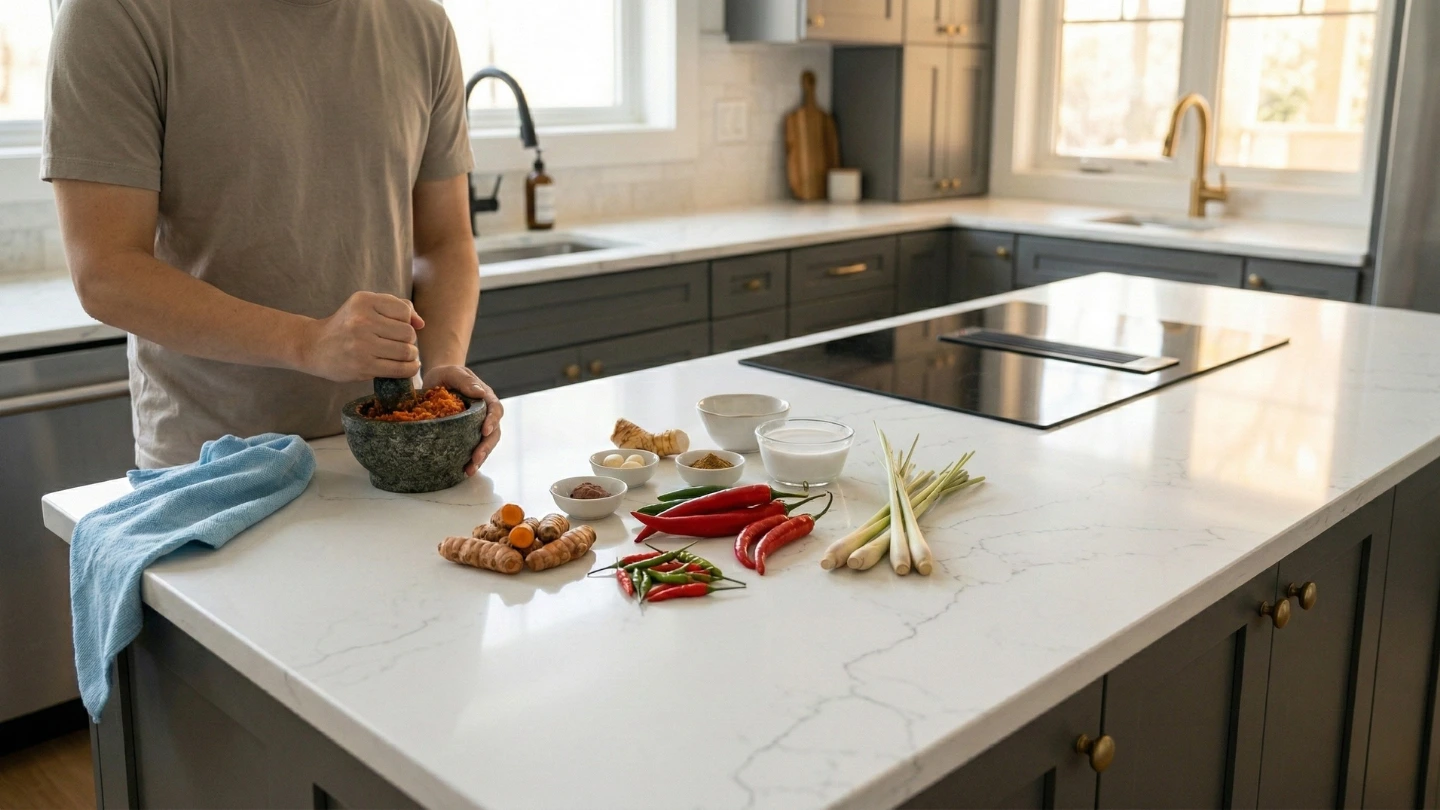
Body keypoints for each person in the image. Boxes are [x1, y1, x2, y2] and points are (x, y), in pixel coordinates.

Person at [42, 0, 503, 472]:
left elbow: (444, 243)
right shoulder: (115, 13)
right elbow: (107, 272)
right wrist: (308, 342)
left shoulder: (421, 22)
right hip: (211, 468)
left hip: (384, 457)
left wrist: (443, 371)